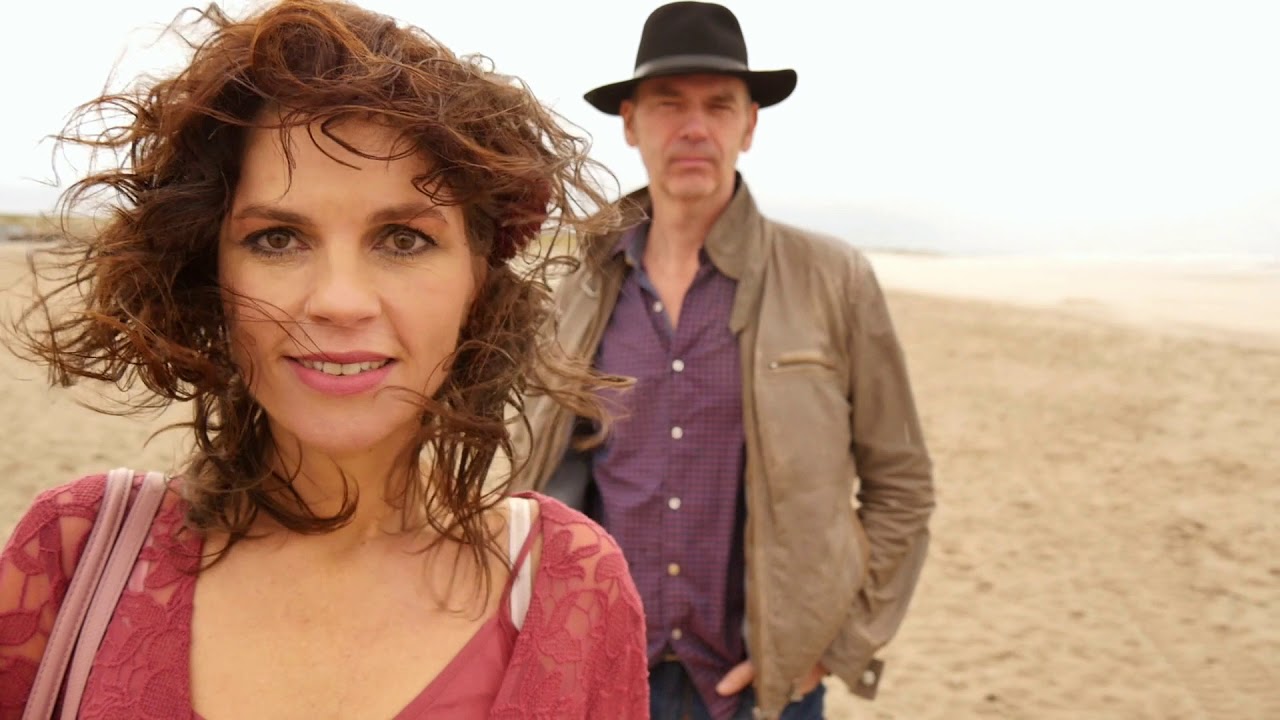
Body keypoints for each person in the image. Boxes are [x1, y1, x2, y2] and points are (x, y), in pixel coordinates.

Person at [0, 1, 649, 718]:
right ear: (211, 276)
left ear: (479, 281)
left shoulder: (573, 587)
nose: (340, 302)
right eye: (277, 239)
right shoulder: (73, 554)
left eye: (403, 239)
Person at [509, 2, 936, 719]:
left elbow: (902, 484)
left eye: (719, 105)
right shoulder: (581, 286)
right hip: (606, 675)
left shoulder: (833, 279)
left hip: (764, 690)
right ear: (630, 122)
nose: (694, 127)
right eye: (669, 103)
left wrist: (837, 644)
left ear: (750, 124)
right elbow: (534, 469)